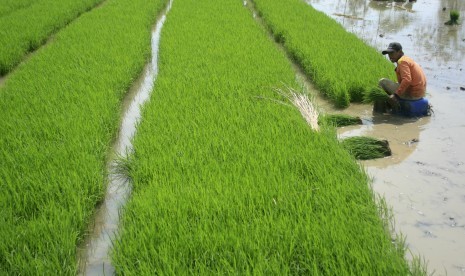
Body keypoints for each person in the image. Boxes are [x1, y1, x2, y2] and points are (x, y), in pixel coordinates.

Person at [379, 42, 427, 111]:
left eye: (392, 53)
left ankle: (379, 111)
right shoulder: (407, 59)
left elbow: (407, 79)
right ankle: (389, 106)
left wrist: (396, 95)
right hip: (420, 94)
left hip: (412, 95)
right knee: (396, 83)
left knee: (382, 82)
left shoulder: (402, 61)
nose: (390, 56)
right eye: (389, 54)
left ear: (400, 52)